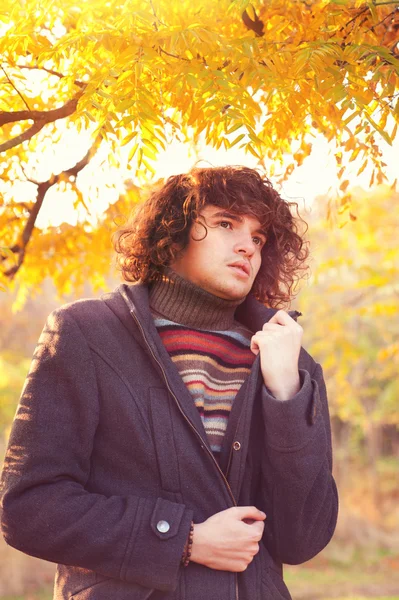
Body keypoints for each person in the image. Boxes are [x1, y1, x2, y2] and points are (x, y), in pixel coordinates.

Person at [0, 166, 338, 600]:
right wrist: (182, 538)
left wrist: (286, 393)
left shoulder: (292, 363)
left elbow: (302, 539)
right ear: (174, 232)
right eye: (225, 224)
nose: (246, 247)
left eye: (258, 238)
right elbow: (29, 508)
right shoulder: (84, 333)